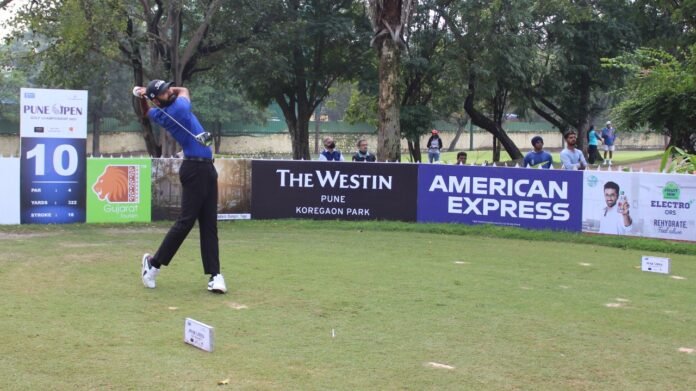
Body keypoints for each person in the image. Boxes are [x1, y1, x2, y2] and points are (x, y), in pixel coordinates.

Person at [132, 79, 227, 294]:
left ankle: (215, 275)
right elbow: (184, 89)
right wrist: (147, 93)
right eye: (164, 91)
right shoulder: (179, 108)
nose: (169, 91)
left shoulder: (160, 113)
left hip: (206, 168)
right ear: (159, 99)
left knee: (209, 224)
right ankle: (153, 265)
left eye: (168, 88)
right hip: (194, 169)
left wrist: (144, 97)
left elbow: (147, 113)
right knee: (185, 223)